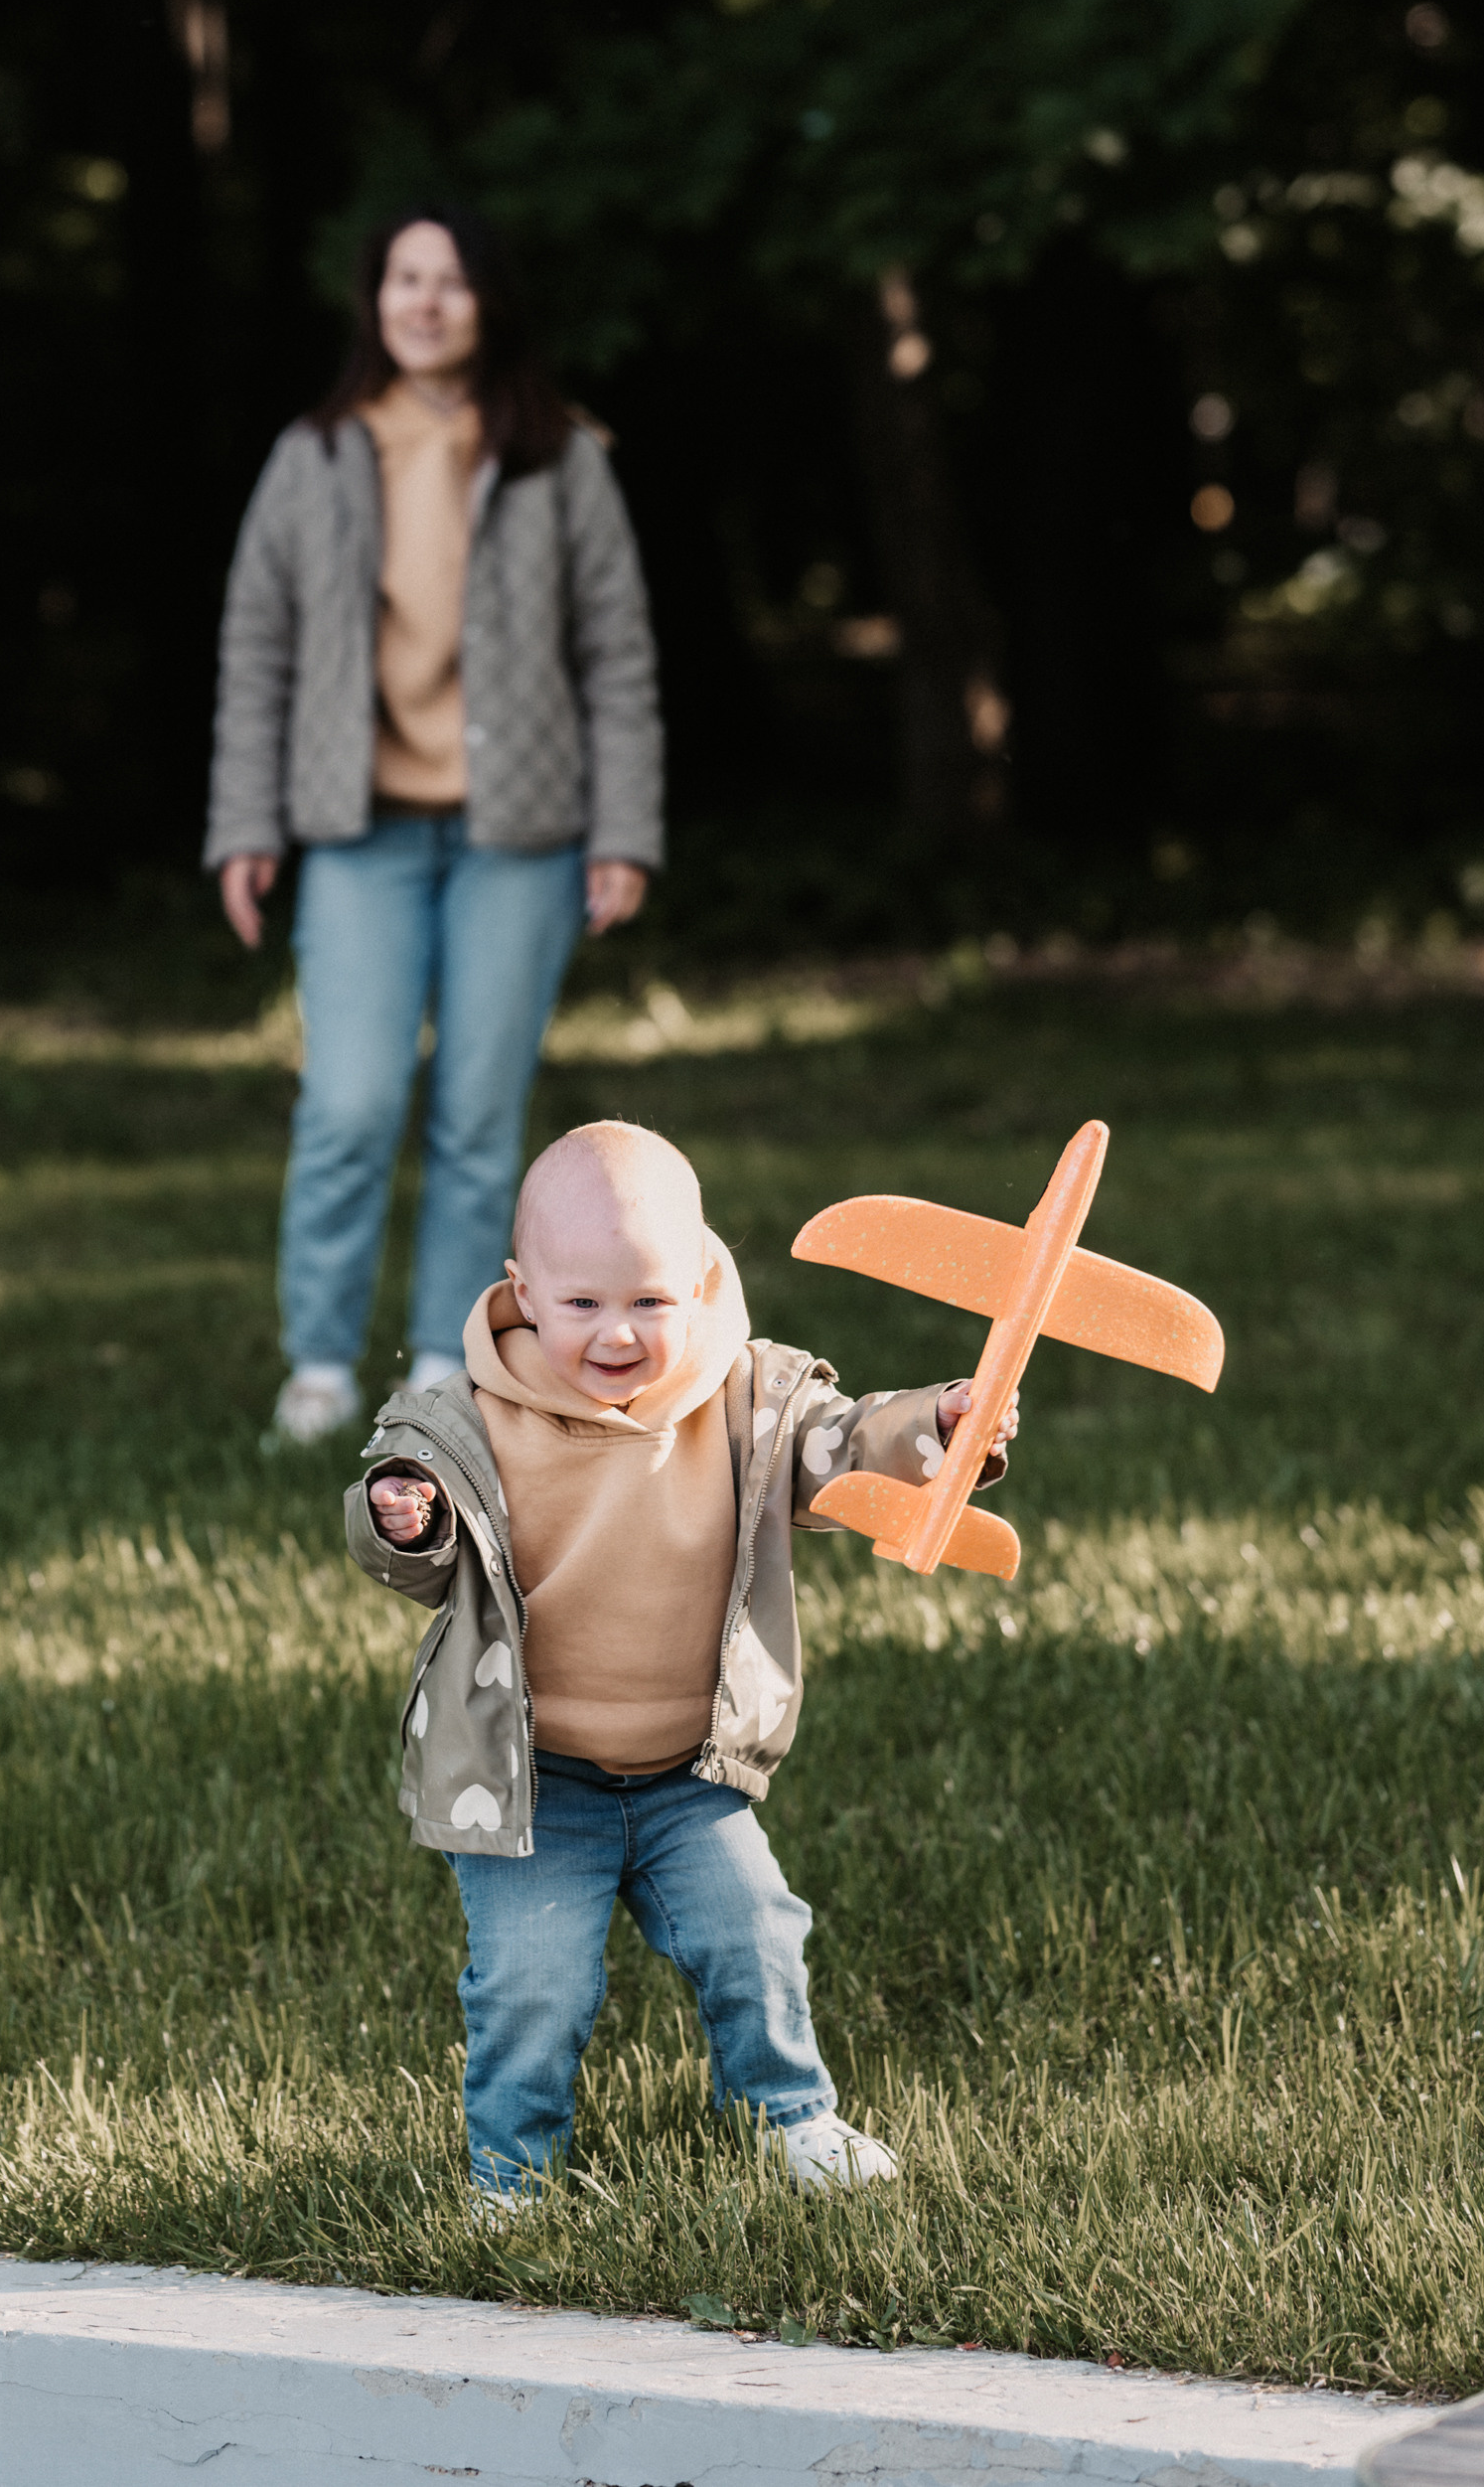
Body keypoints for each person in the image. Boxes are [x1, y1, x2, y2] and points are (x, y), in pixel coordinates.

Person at [346, 1120, 1018, 2202]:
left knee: (756, 1932)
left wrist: (937, 1427)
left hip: (684, 1777)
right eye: (582, 1304)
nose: (618, 1333)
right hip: (538, 1781)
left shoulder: (742, 1395)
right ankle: (511, 2170)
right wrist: (403, 1516)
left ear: (702, 1280)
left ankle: (787, 2115)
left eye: (652, 1300)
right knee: (530, 1981)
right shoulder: (471, 1417)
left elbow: (841, 1446)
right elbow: (407, 1528)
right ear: (521, 1291)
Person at [206, 205, 663, 1448]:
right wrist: (245, 821)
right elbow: (256, 643)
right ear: (374, 300)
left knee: (475, 1113)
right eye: (402, 279)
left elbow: (615, 653)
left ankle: (439, 1374)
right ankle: (314, 1365)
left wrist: (622, 828)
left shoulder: (560, 457)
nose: (424, 302)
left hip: (520, 836)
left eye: (448, 282)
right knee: (348, 1103)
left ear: (488, 304)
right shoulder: (317, 453)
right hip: (359, 833)